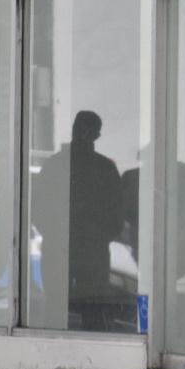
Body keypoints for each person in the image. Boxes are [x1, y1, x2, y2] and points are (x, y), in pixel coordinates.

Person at [35, 111, 124, 330]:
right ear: (97, 135)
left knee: (63, 309)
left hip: (68, 245)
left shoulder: (56, 165)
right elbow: (116, 210)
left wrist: (52, 231)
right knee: (89, 311)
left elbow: (38, 205)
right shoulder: (103, 168)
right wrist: (103, 235)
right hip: (83, 246)